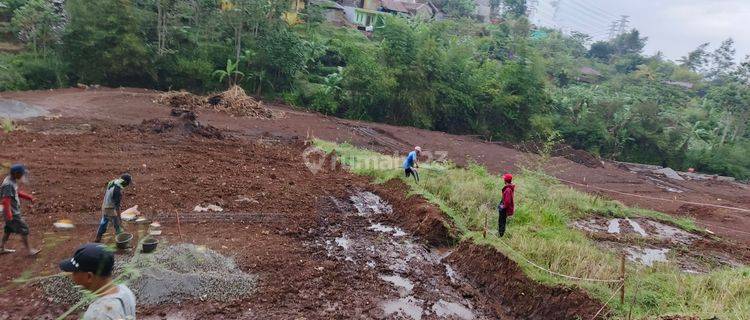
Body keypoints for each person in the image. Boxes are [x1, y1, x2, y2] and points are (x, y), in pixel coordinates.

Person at [59, 243, 136, 320]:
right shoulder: (125, 290)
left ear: (89, 277)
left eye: (74, 272)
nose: (72, 276)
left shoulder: (97, 314)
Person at [0, 164, 40, 256]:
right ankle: (29, 250)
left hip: (11, 212)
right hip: (13, 213)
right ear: (16, 173)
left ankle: (1, 248)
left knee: (8, 229)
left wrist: (29, 197)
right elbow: (6, 200)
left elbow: (16, 192)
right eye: (21, 174)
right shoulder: (8, 184)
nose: (22, 175)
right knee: (24, 228)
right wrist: (9, 215)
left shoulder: (11, 180)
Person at [95, 174, 132, 243]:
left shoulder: (113, 182)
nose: (127, 186)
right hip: (110, 208)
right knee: (118, 225)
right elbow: (117, 207)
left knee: (104, 222)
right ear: (125, 183)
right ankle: (122, 241)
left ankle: (98, 238)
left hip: (105, 205)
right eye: (128, 184)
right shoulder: (117, 191)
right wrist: (119, 218)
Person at [497, 173, 515, 237]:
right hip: (504, 207)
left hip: (504, 209)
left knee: (501, 222)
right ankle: (500, 233)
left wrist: (502, 206)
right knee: (502, 221)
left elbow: (507, 202)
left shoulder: (507, 189)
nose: (503, 180)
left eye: (504, 179)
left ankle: (500, 235)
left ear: (505, 180)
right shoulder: (509, 188)